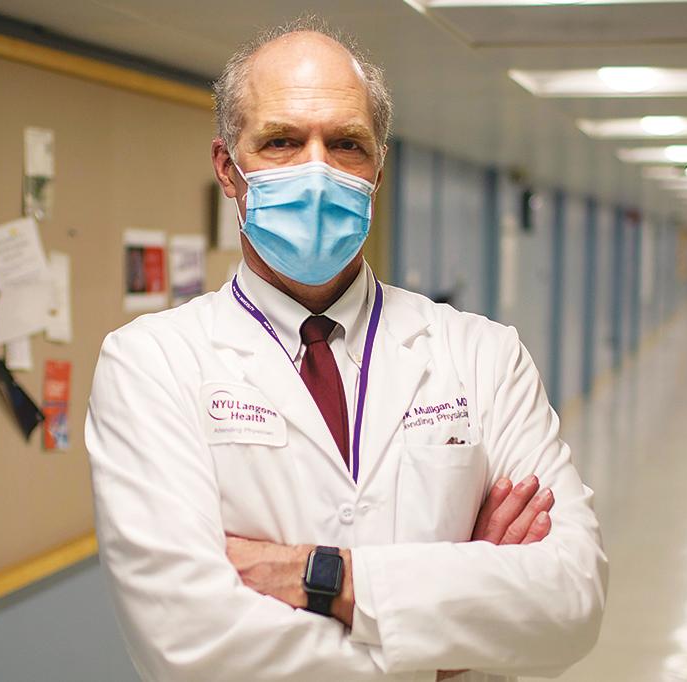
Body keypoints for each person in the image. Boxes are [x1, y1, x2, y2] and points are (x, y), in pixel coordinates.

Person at [85, 17, 606, 682]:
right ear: (227, 167)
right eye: (280, 141)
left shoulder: (484, 356)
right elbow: (191, 642)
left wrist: (321, 576)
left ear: (378, 168)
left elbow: (571, 599)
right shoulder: (151, 364)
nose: (316, 172)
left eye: (346, 144)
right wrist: (446, 646)